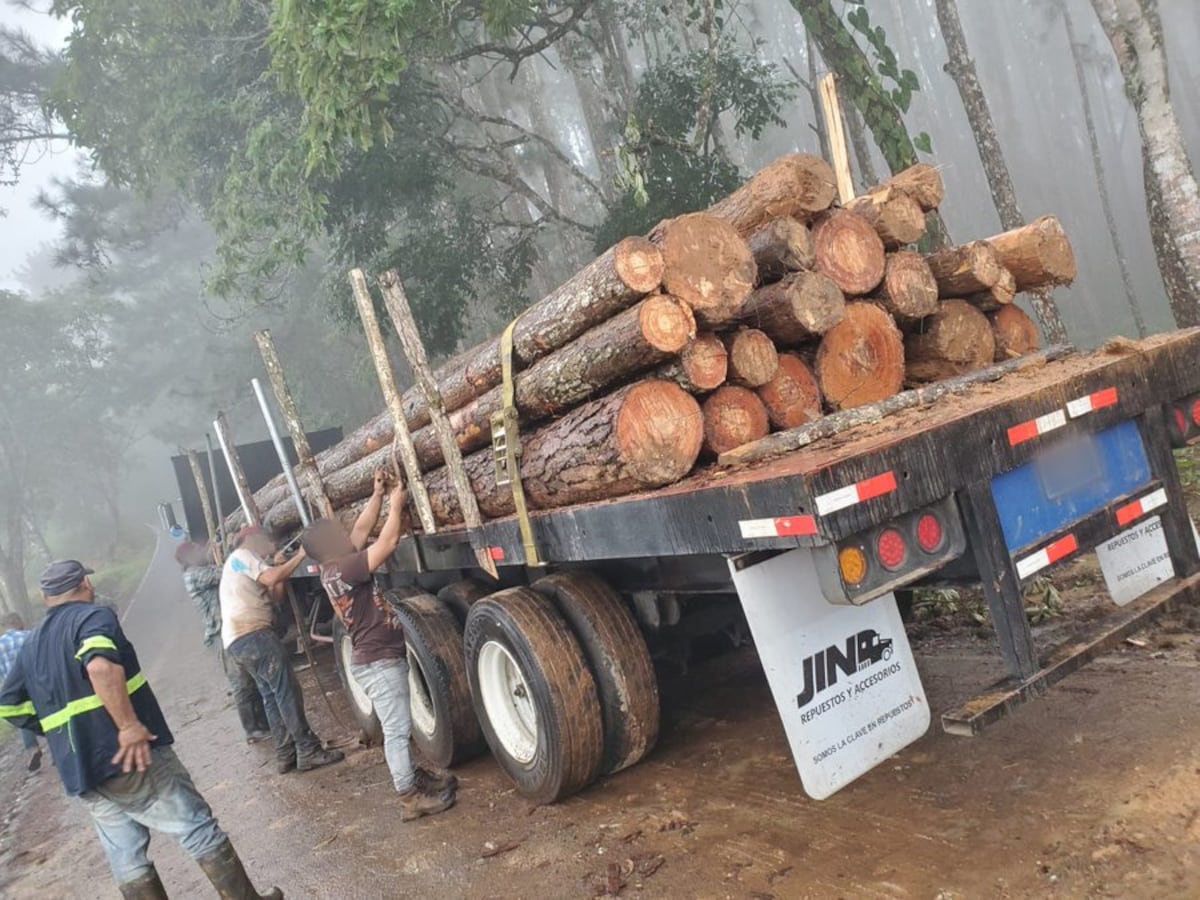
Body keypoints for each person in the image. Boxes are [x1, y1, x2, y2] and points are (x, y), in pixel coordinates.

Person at [0, 560, 282, 899]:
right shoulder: (93, 616)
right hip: (128, 755)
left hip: (81, 770)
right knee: (195, 825)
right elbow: (101, 666)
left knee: (126, 854)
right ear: (85, 584)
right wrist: (128, 726)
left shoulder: (32, 645)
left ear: (47, 597)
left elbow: (10, 705)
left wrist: (64, 732)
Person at [301, 470, 455, 821]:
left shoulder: (335, 568)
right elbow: (384, 545)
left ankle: (412, 780)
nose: (343, 533)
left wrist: (378, 495)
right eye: (334, 534)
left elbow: (360, 531)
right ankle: (409, 796)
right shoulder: (345, 568)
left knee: (397, 726)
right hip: (379, 663)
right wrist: (397, 507)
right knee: (397, 730)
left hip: (377, 660)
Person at [220, 527, 343, 775]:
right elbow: (270, 579)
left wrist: (280, 569)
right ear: (250, 540)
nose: (269, 544)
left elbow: (275, 596)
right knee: (286, 691)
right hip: (253, 635)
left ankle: (286, 753)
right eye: (265, 540)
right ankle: (308, 750)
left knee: (271, 695)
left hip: (239, 642)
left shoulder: (245, 565)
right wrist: (300, 556)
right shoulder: (243, 556)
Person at [175, 541, 271, 744]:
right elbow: (225, 573)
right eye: (197, 550)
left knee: (251, 680)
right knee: (241, 682)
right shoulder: (193, 575)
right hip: (219, 635)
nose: (202, 552)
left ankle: (262, 724)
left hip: (227, 631)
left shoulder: (202, 570)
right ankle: (252, 729)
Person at [0, 613, 42, 771]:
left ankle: (32, 747)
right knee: (48, 711)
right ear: (17, 622)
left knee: (23, 716)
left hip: (15, 688)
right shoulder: (30, 636)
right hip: (37, 682)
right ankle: (58, 745)